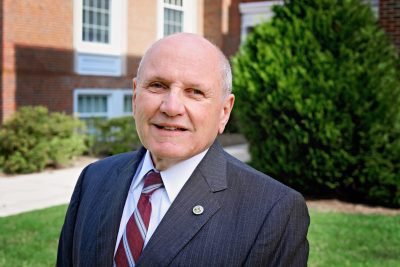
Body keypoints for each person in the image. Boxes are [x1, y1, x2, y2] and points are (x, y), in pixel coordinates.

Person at [57, 33, 309, 266]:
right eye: (157, 85)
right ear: (135, 97)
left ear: (224, 111)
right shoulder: (94, 179)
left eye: (195, 92)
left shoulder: (273, 212)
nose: (171, 107)